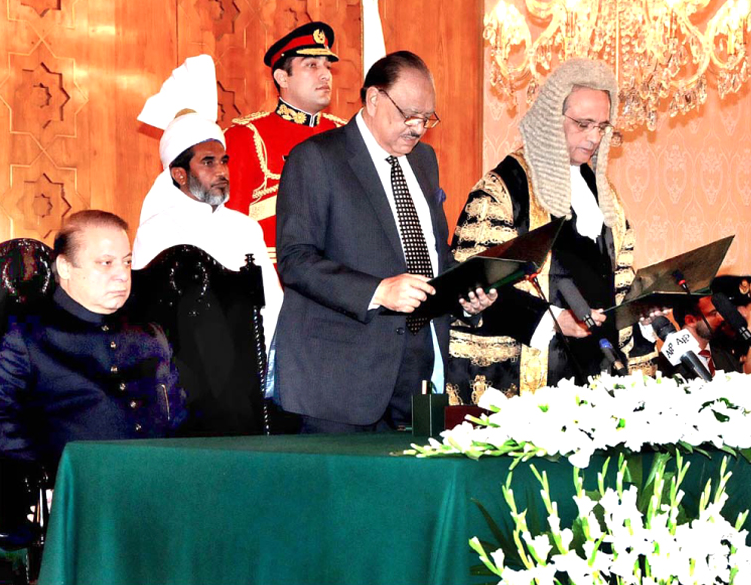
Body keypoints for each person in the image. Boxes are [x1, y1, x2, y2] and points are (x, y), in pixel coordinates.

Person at [274, 51, 497, 434]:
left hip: (417, 367)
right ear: (374, 99)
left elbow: (430, 252)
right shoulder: (316, 158)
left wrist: (467, 292)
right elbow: (295, 259)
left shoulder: (424, 161)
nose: (417, 128)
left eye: (426, 118)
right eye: (408, 114)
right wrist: (377, 291)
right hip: (339, 375)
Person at [448, 58, 656, 402]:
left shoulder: (607, 197)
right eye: (583, 124)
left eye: (602, 126)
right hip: (528, 377)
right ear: (549, 118)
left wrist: (644, 311)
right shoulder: (503, 189)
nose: (594, 137)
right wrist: (553, 318)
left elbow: (618, 284)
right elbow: (471, 284)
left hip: (596, 377)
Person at [0, 210, 185, 475]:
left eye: (127, 262)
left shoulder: (149, 334)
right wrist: (53, 472)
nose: (122, 274)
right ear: (65, 268)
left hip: (157, 481)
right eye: (106, 263)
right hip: (80, 491)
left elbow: (178, 416)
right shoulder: (29, 336)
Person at [132, 55, 282, 352]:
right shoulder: (156, 231)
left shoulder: (245, 228)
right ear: (179, 174)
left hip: (248, 370)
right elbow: (148, 315)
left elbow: (272, 305)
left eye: (224, 161)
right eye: (208, 162)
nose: (222, 171)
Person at [224, 21, 346, 264]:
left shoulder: (345, 134)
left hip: (343, 282)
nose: (325, 74)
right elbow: (230, 231)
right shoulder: (246, 137)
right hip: (277, 286)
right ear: (282, 78)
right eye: (311, 65)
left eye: (327, 67)